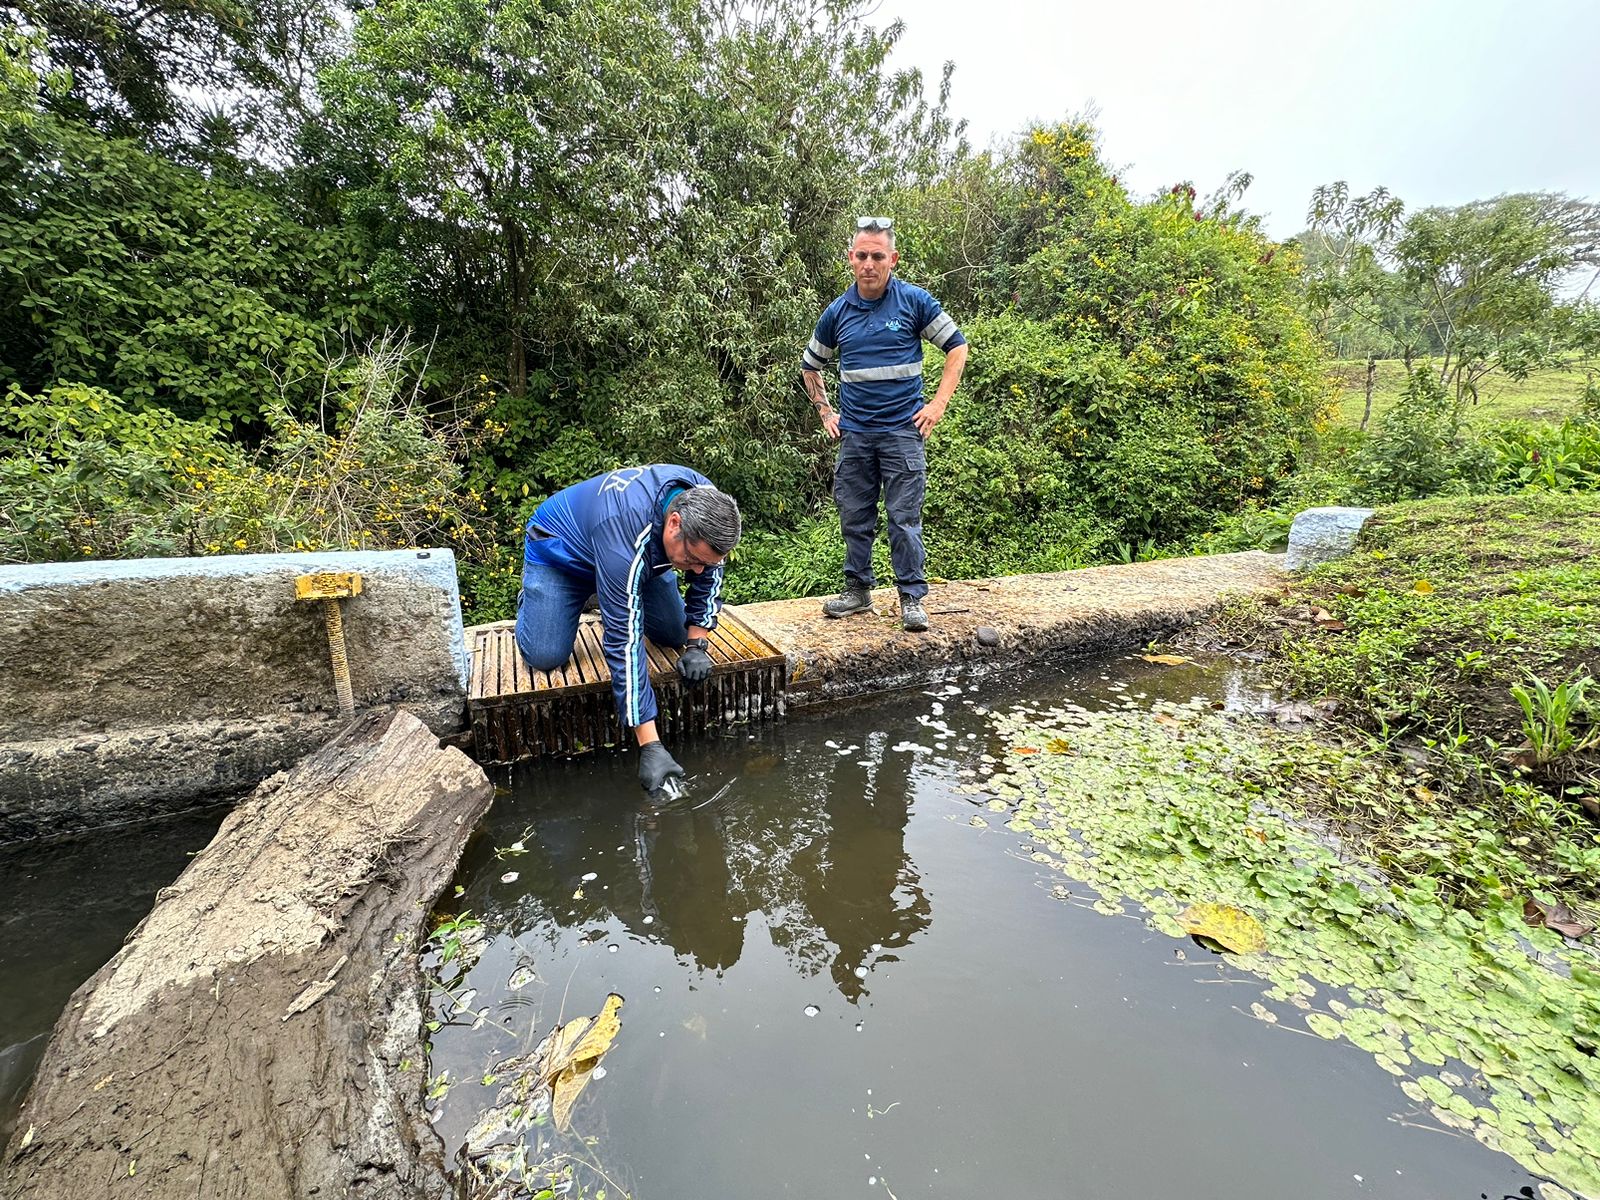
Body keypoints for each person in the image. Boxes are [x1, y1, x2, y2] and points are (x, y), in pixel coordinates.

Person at [514, 466, 742, 794]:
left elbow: (708, 574)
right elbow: (624, 640)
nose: (698, 569)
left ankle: (612, 590)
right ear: (674, 524)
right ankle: (540, 600)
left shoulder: (707, 504)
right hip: (562, 555)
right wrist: (650, 745)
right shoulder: (624, 529)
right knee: (545, 654)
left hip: (643, 559)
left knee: (675, 635)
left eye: (706, 561)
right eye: (693, 558)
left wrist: (697, 643)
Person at [802, 215, 969, 632]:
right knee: (855, 517)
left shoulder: (914, 303)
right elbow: (810, 366)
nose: (869, 264)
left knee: (904, 519)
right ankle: (858, 592)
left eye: (878, 256)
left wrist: (938, 404)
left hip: (902, 433)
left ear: (892, 259)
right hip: (855, 435)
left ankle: (911, 598)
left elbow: (957, 348)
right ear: (850, 259)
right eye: (862, 255)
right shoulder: (837, 313)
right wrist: (826, 411)